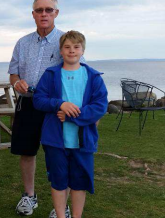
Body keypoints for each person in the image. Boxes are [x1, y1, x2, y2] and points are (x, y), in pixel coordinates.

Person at [33, 31, 108, 218]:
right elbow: (39, 100)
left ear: (82, 50)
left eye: (76, 47)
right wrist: (60, 104)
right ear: (61, 50)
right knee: (58, 181)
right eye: (67, 47)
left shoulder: (93, 77)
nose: (71, 51)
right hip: (55, 140)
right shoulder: (51, 74)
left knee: (79, 182)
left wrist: (71, 116)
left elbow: (100, 106)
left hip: (83, 141)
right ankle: (60, 215)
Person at [9, 0, 72, 217]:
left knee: (57, 155)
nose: (43, 14)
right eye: (39, 10)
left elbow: (76, 72)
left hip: (54, 108)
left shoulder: (65, 41)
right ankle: (29, 196)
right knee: (26, 153)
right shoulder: (22, 42)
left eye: (48, 10)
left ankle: (61, 206)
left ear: (56, 12)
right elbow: (14, 72)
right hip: (27, 105)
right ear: (33, 14)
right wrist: (17, 82)